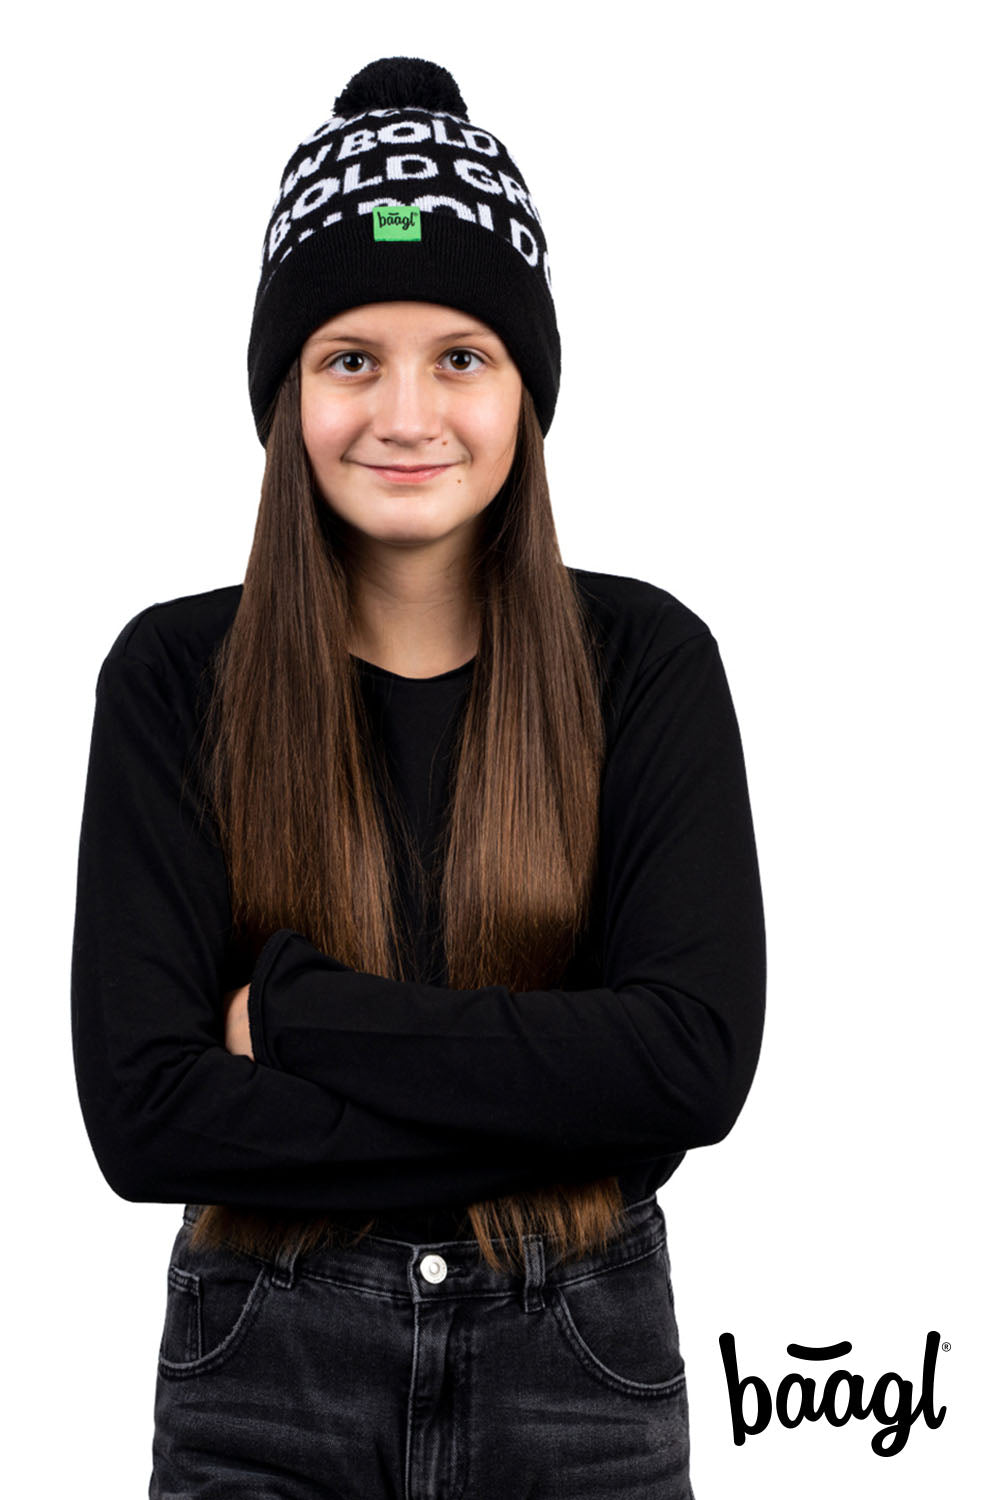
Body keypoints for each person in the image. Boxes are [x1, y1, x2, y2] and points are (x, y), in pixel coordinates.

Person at [70, 55, 766, 1499]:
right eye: (349, 359)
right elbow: (145, 1118)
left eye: (461, 354)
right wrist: (558, 1098)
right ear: (287, 391)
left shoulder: (646, 664)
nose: (405, 415)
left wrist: (306, 1015)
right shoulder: (169, 681)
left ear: (525, 388)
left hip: (580, 1363)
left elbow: (690, 1064)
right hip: (267, 1369)